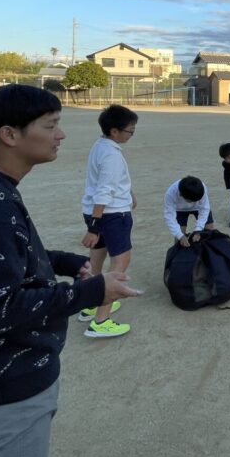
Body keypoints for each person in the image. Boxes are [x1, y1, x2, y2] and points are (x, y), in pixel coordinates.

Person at [0, 85, 140, 457]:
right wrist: (91, 291)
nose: (61, 134)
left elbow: (4, 259)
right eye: (50, 125)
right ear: (9, 134)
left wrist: (64, 262)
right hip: (3, 387)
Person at [80, 105, 138, 338]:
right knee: (120, 262)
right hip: (112, 214)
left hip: (96, 210)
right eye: (130, 130)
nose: (131, 134)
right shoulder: (111, 155)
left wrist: (129, 193)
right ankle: (100, 321)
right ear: (114, 131)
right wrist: (94, 226)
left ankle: (90, 304)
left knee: (96, 261)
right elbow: (104, 190)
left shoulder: (100, 145)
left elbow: (108, 181)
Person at [164, 175, 214, 246]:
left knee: (208, 230)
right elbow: (169, 216)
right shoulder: (171, 193)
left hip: (198, 207)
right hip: (180, 209)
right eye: (191, 201)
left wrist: (198, 230)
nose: (193, 203)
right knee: (179, 238)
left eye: (195, 201)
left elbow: (204, 209)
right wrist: (180, 236)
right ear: (181, 194)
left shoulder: (201, 188)